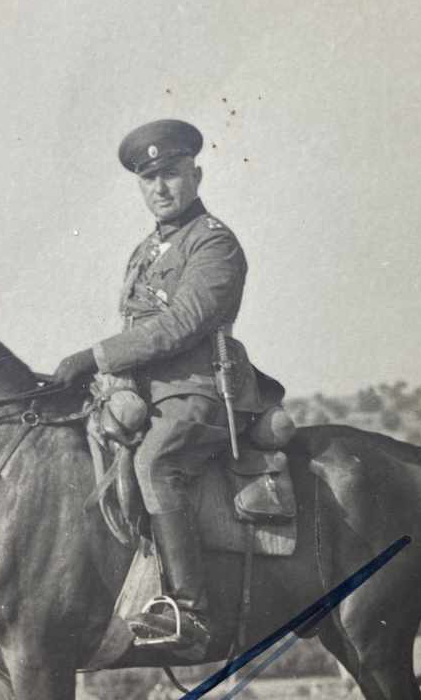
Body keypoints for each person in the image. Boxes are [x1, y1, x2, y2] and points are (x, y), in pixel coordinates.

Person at [52, 118, 278, 656]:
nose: (160, 188)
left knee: (156, 463)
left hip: (201, 393)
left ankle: (189, 610)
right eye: (149, 179)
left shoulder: (215, 244)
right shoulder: (143, 252)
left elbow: (181, 324)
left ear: (195, 175)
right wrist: (109, 383)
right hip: (142, 394)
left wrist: (93, 356)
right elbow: (136, 327)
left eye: (172, 174)